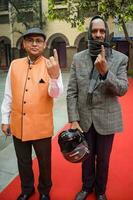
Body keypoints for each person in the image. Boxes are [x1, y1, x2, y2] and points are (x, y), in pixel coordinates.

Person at [66, 16, 128, 200]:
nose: (98, 34)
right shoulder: (78, 58)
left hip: (107, 118)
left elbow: (122, 89)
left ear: (106, 33)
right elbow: (71, 91)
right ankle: (86, 187)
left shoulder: (120, 59)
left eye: (102, 31)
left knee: (103, 159)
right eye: (95, 31)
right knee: (86, 156)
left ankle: (100, 191)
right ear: (89, 33)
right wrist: (74, 119)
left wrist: (105, 73)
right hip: (84, 118)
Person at [1, 27, 63, 200]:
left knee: (44, 162)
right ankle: (27, 189)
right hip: (18, 124)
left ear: (44, 44)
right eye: (31, 40)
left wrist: (55, 76)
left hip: (41, 126)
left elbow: (56, 95)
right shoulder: (14, 65)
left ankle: (44, 191)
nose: (34, 44)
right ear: (24, 44)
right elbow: (8, 94)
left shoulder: (51, 65)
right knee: (23, 161)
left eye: (38, 41)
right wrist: (4, 120)